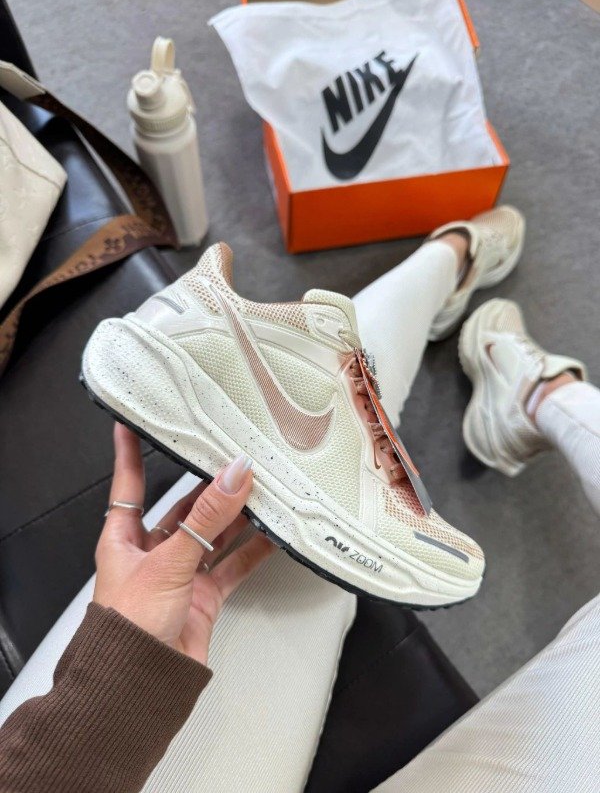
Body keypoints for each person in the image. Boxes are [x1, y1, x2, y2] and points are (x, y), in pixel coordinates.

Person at [0, 204, 598, 792]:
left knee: (323, 373)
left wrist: (110, 674)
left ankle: (446, 271)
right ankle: (482, 311)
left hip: (63, 757)